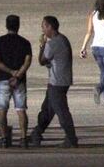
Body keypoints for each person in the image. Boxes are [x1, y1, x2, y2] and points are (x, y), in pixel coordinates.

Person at [30, 16, 78, 148]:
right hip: (61, 80)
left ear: (50, 27)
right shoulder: (63, 39)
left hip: (57, 82)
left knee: (61, 111)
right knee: (47, 110)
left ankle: (71, 138)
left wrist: (42, 45)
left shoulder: (52, 43)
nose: (42, 29)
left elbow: (41, 61)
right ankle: (37, 133)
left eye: (43, 26)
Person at [0, 15, 32, 148]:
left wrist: (10, 72)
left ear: (6, 25)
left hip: (3, 79)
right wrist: (18, 75)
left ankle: (4, 139)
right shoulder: (25, 42)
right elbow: (27, 62)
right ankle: (23, 138)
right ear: (18, 26)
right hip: (20, 81)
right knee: (21, 110)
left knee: (2, 109)